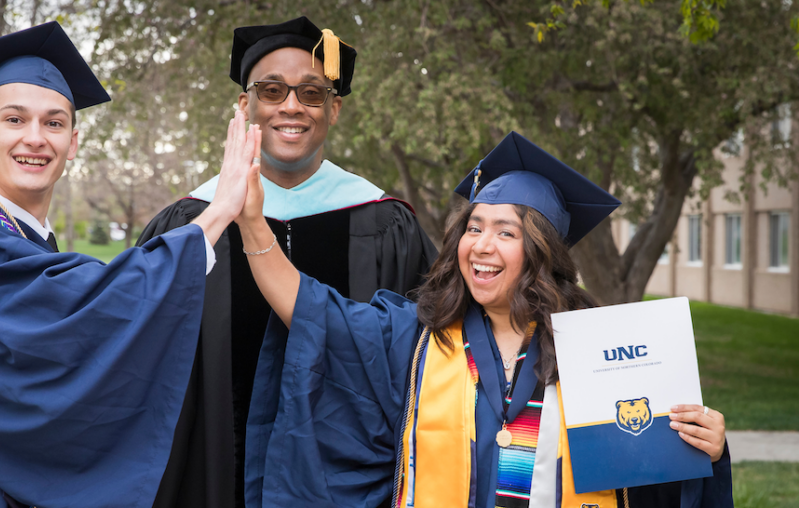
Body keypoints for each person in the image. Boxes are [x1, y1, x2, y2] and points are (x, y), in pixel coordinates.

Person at [235, 131, 733, 507]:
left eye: (506, 233)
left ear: (540, 252)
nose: (482, 246)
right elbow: (314, 312)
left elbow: (652, 469)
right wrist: (253, 222)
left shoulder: (598, 350)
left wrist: (705, 447)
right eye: (473, 228)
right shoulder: (414, 336)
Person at [0, 22, 261, 508]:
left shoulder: (24, 240)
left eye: (53, 123)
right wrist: (218, 213)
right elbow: (82, 311)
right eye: (14, 119)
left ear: (74, 140)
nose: (35, 138)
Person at [137, 16, 439, 508]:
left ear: (334, 109)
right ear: (245, 105)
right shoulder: (191, 222)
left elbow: (422, 353)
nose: (291, 106)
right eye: (272, 90)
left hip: (349, 480)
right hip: (210, 478)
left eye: (312, 93)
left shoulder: (385, 222)